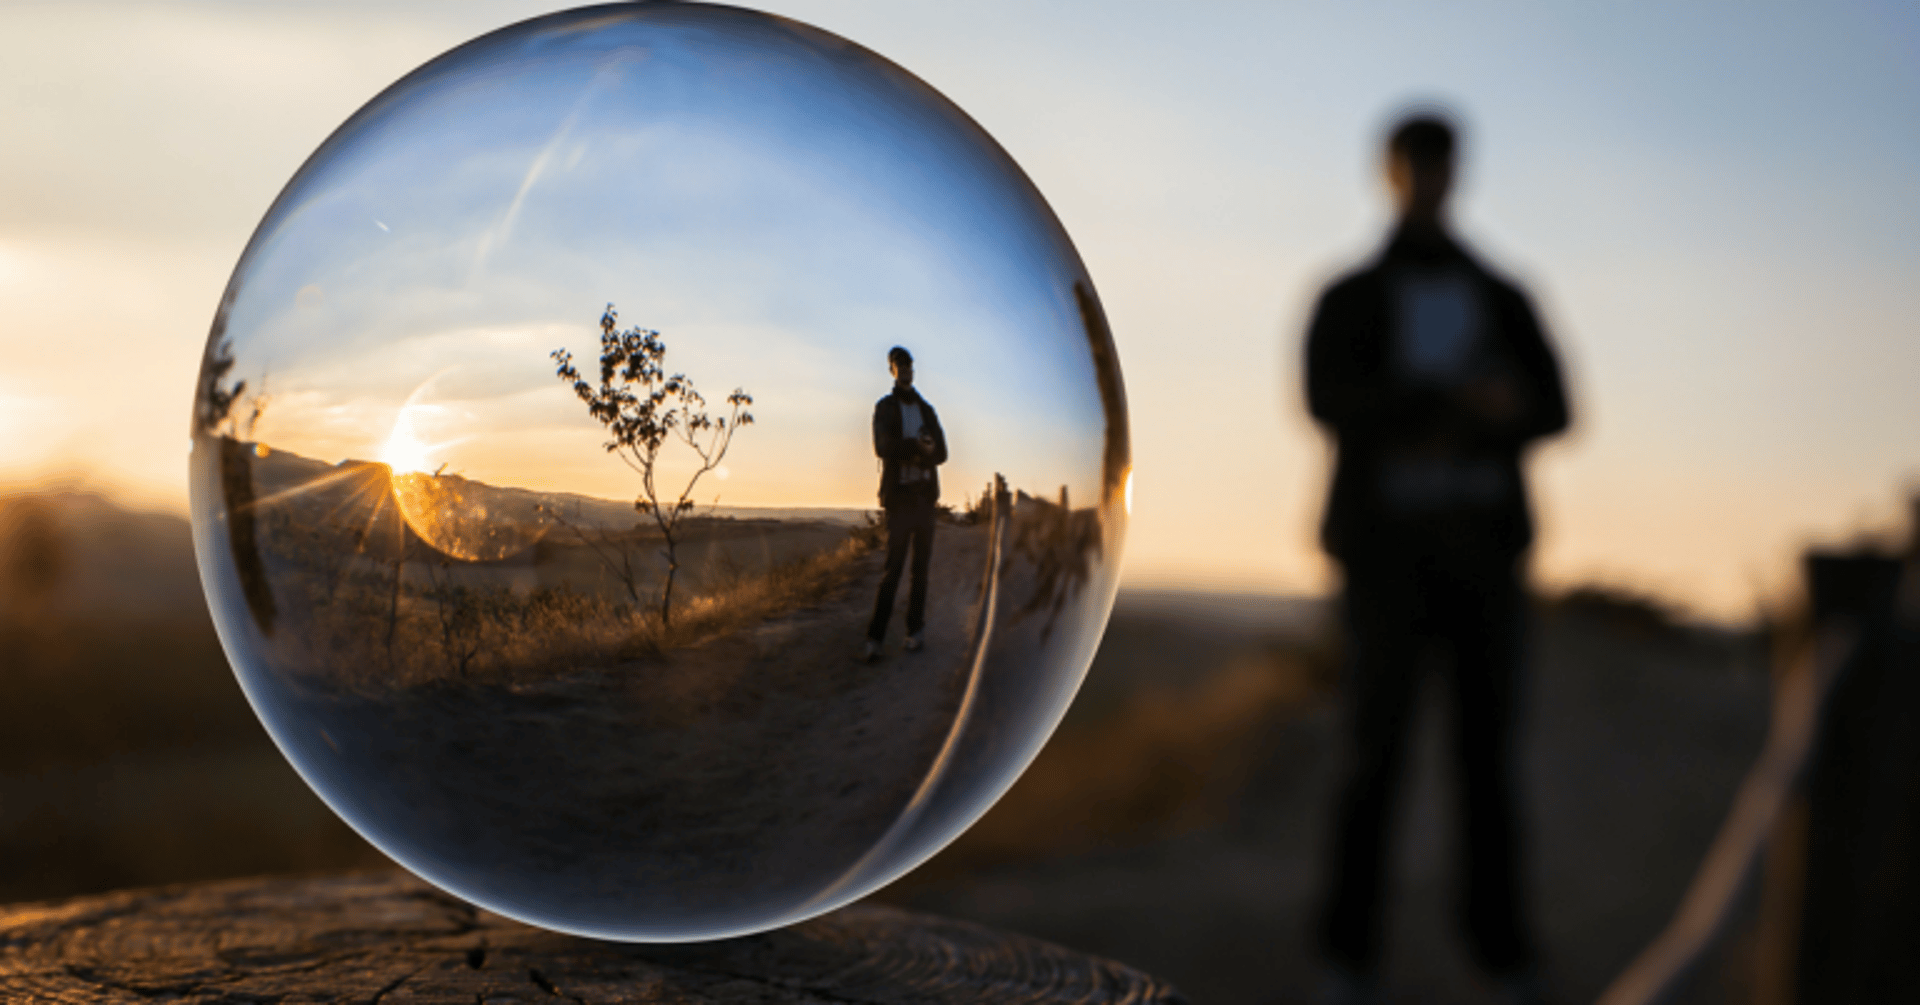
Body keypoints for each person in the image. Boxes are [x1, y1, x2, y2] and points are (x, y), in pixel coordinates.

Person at [1303, 111, 1569, 1004]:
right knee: (1370, 756)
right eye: (1415, 167)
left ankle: (1500, 954)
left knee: (1487, 762)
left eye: (1439, 167)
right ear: (1391, 174)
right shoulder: (1350, 294)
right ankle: (1349, 957)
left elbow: (1558, 408)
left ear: (1457, 174)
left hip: (1484, 558)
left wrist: (1493, 410)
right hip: (1386, 562)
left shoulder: (1503, 293)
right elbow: (1323, 398)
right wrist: (1443, 401)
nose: (1428, 181)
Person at [867, 346, 948, 660]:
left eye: (909, 364)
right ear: (892, 370)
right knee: (892, 570)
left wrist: (925, 450)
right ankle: (875, 638)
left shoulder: (927, 409)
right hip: (899, 500)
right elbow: (881, 446)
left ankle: (915, 633)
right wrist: (916, 447)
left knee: (920, 572)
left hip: (924, 498)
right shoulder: (884, 407)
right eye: (899, 365)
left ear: (914, 369)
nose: (905, 369)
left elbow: (942, 453)